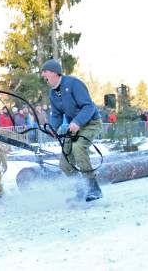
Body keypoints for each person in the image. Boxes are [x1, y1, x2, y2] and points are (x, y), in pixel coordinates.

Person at [41, 59, 103, 202]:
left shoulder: (74, 84)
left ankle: (94, 188)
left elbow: (89, 107)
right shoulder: (52, 93)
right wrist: (53, 128)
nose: (43, 75)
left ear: (54, 73)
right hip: (73, 127)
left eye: (45, 72)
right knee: (64, 164)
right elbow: (56, 114)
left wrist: (77, 122)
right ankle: (81, 189)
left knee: (78, 147)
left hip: (90, 123)